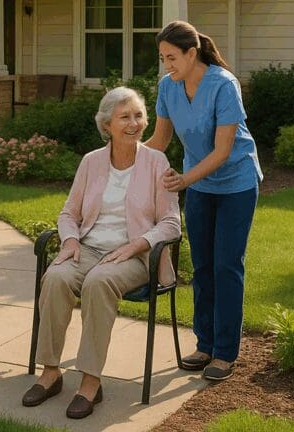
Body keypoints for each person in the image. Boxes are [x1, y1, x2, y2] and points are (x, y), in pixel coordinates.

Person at [23, 87, 180, 419]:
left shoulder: (156, 162)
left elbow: (170, 224)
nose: (134, 123)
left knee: (98, 283)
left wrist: (137, 245)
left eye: (138, 116)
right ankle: (51, 372)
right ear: (107, 124)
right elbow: (69, 214)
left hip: (135, 256)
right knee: (55, 277)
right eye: (125, 117)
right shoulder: (91, 162)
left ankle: (90, 383)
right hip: (90, 248)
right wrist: (69, 242)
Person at [145, 20, 262, 382]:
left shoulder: (224, 85)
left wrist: (184, 180)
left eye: (172, 58)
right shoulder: (168, 87)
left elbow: (224, 150)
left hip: (235, 184)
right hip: (198, 185)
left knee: (227, 264)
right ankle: (205, 344)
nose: (167, 66)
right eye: (163, 59)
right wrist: (116, 156)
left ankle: (225, 353)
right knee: (202, 266)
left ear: (192, 53)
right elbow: (159, 141)